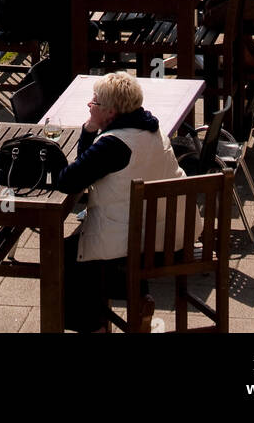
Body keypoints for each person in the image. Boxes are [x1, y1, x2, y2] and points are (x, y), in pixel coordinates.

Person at [57, 72, 197, 333]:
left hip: (142, 244)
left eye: (95, 103)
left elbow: (69, 181)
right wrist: (91, 127)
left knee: (64, 255)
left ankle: (94, 327)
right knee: (89, 246)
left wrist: (88, 128)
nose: (90, 106)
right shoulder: (153, 129)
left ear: (110, 111)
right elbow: (86, 166)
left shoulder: (112, 145)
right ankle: (140, 302)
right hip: (175, 235)